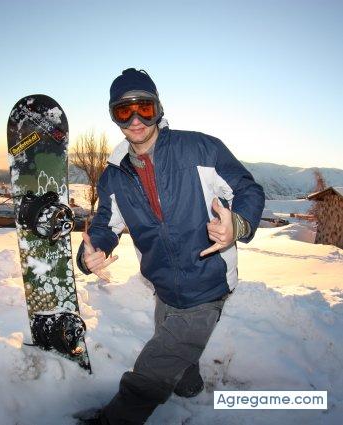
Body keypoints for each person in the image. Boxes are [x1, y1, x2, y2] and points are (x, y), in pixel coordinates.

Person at [76, 68, 265, 424]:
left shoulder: (199, 148)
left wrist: (237, 224)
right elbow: (105, 224)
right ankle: (189, 387)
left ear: (158, 109)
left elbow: (248, 189)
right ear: (114, 116)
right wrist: (93, 251)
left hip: (207, 284)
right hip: (164, 286)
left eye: (144, 108)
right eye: (124, 111)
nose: (135, 120)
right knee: (175, 345)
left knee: (153, 369)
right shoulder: (114, 175)